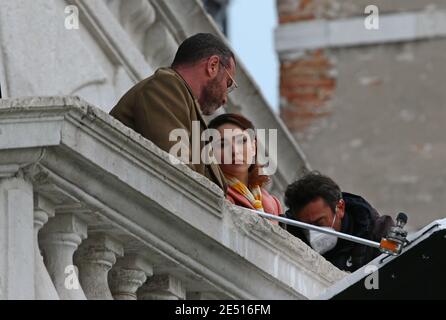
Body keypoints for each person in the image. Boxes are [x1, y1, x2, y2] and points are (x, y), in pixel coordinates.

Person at [109, 33, 238, 192]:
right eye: (228, 83)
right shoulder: (167, 85)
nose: (225, 99)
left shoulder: (184, 103)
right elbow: (180, 174)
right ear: (212, 65)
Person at [284, 171, 394, 272]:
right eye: (305, 227)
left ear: (340, 208)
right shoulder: (288, 233)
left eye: (319, 223)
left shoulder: (377, 235)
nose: (313, 232)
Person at [208, 113, 282, 222]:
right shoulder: (214, 191)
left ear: (253, 147)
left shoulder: (274, 204)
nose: (234, 151)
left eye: (241, 141)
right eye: (222, 145)